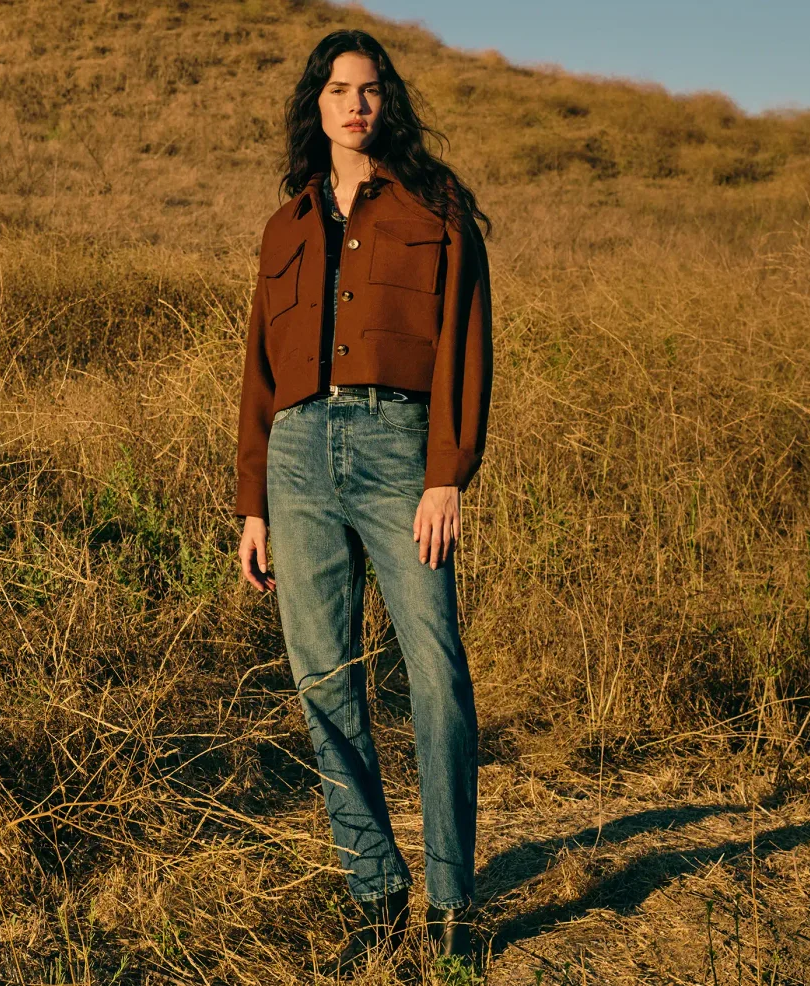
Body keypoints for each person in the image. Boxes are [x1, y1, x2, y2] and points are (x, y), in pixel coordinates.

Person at [232, 28, 493, 975]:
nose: (356, 104)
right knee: (322, 681)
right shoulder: (284, 225)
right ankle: (376, 891)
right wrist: (253, 502)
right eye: (339, 89)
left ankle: (454, 904)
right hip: (298, 457)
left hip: (398, 448)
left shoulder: (436, 205)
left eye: (372, 89)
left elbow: (467, 339)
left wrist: (444, 474)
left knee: (437, 673)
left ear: (390, 102)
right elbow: (260, 371)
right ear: (317, 104)